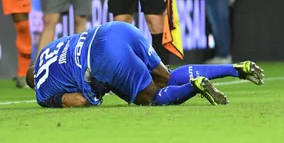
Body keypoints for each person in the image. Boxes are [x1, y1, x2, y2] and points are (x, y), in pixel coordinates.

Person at [26, 21, 264, 108]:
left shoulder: (42, 92)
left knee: (151, 97)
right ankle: (235, 69)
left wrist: (93, 97)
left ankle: (195, 86)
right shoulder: (46, 50)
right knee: (165, 78)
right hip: (118, 29)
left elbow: (76, 100)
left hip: (104, 58)